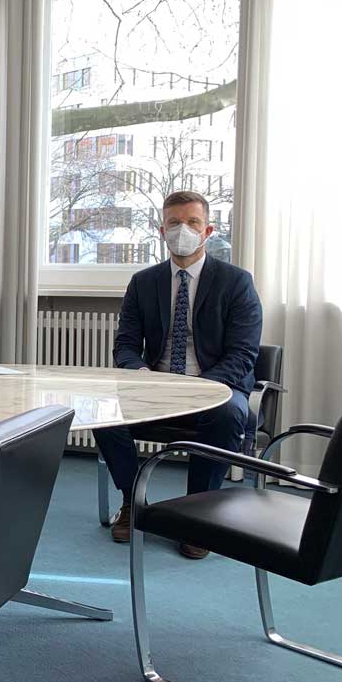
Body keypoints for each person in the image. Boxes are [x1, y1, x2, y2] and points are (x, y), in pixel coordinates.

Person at [95, 190, 261, 559]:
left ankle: (197, 514)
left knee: (229, 412)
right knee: (102, 409)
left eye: (192, 222)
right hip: (155, 385)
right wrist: (137, 371)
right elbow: (124, 344)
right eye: (174, 223)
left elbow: (243, 353)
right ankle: (132, 500)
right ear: (161, 230)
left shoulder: (236, 282)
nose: (182, 230)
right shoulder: (143, 282)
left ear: (209, 230)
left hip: (214, 385)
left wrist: (200, 387)